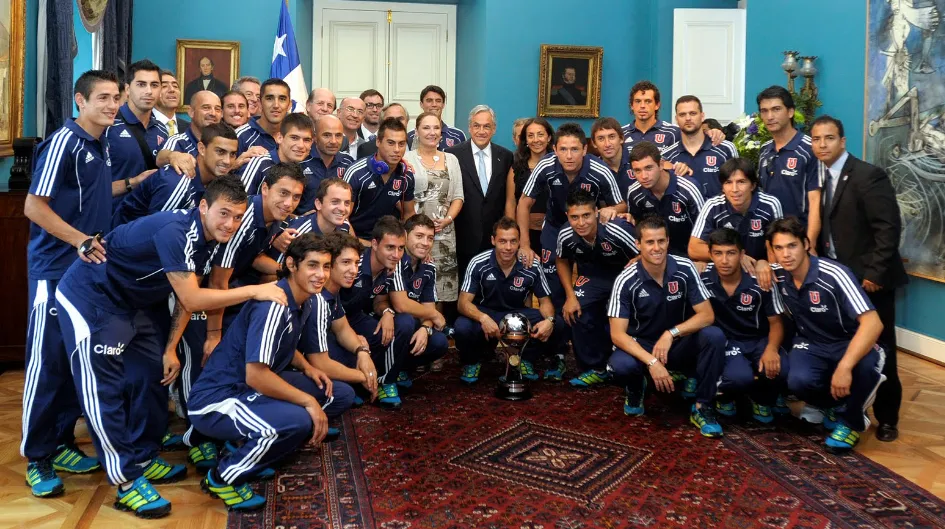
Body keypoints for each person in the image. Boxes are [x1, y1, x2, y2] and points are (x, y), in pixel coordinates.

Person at [54, 177, 287, 518]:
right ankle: (127, 480)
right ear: (203, 207)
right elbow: (193, 297)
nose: (231, 224)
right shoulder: (177, 230)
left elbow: (184, 298)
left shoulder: (210, 240)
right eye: (224, 214)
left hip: (131, 303)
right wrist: (254, 291)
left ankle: (145, 456)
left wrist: (169, 348)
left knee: (151, 374)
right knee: (102, 388)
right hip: (90, 297)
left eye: (237, 217)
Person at [188, 234, 354, 511]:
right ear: (291, 264)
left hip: (252, 386)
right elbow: (256, 375)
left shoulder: (306, 299)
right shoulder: (273, 306)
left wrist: (307, 367)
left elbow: (283, 342)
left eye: (326, 266)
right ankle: (223, 477)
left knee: (338, 394)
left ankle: (246, 440)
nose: (321, 274)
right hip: (219, 399)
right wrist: (307, 401)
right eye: (313, 266)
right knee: (299, 420)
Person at [21, 69, 119, 498]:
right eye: (102, 98)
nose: (112, 105)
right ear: (80, 101)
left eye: (115, 97)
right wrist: (80, 239)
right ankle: (37, 457)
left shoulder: (100, 143)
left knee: (74, 361)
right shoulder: (63, 141)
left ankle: (60, 443)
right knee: (47, 365)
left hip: (87, 273)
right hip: (54, 271)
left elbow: (92, 196)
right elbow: (32, 206)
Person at [811, 115, 907, 442]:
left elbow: (888, 228)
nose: (822, 145)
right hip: (841, 281)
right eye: (816, 139)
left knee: (882, 349)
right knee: (848, 345)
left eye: (829, 138)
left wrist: (876, 274)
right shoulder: (819, 178)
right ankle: (850, 408)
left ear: (843, 141)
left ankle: (888, 418)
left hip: (870, 281)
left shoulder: (869, 176)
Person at [767, 217, 887, 453]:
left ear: (806, 244)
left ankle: (851, 420)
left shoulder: (834, 274)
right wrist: (760, 263)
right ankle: (831, 405)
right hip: (812, 343)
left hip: (850, 342)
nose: (786, 254)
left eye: (792, 246)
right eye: (778, 248)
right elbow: (735, 264)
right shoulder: (777, 275)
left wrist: (844, 367)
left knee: (863, 368)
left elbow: (873, 323)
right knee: (797, 380)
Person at [607, 215, 726, 438]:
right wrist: (651, 362)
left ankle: (703, 406)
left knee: (714, 336)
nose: (656, 248)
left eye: (661, 241)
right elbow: (617, 334)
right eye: (650, 242)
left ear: (668, 241)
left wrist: (671, 334)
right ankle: (636, 386)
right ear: (638, 245)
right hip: (640, 345)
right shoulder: (625, 279)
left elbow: (707, 315)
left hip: (675, 343)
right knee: (620, 367)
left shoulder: (684, 267)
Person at [518, 122, 624, 306]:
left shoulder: (600, 171)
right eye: (563, 149)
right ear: (555, 149)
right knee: (554, 290)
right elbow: (523, 203)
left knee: (588, 289)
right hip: (554, 228)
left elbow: (622, 205)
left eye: (574, 149)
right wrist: (525, 244)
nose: (568, 156)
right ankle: (558, 328)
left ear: (584, 149)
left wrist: (611, 209)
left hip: (588, 231)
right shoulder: (546, 165)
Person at [455, 217, 563, 384]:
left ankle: (526, 359)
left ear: (520, 242)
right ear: (493, 241)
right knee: (462, 326)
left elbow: (545, 302)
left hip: (516, 315)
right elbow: (463, 303)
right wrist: (483, 318)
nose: (508, 247)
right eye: (502, 241)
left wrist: (549, 320)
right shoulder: (478, 263)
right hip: (486, 313)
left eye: (513, 241)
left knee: (557, 323)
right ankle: (472, 362)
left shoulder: (531, 265)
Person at [701, 228, 788, 423]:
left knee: (781, 368)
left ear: (742, 255)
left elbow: (776, 322)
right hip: (727, 342)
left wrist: (772, 349)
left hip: (758, 340)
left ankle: (761, 399)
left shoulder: (761, 280)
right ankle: (724, 397)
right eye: (718, 253)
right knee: (739, 378)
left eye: (731, 253)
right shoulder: (702, 277)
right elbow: (669, 264)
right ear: (710, 255)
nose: (724, 260)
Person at [556, 189, 639, 385]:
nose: (581, 222)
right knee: (575, 309)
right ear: (567, 216)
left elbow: (645, 253)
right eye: (574, 217)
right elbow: (561, 260)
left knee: (632, 310)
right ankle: (594, 367)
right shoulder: (565, 233)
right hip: (593, 276)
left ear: (596, 213)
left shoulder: (617, 228)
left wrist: (636, 263)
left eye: (586, 215)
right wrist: (570, 296)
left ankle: (633, 362)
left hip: (626, 275)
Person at [337, 217, 418, 409]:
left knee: (394, 329)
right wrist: (353, 337)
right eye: (390, 247)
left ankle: (384, 380)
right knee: (351, 348)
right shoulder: (354, 264)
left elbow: (380, 300)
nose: (396, 254)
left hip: (356, 317)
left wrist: (387, 312)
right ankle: (352, 383)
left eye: (400, 248)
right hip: (332, 324)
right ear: (374, 244)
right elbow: (329, 302)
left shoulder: (390, 268)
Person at [114, 122, 238, 227]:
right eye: (220, 152)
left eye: (232, 154)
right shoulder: (178, 182)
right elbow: (155, 234)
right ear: (201, 149)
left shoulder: (218, 182)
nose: (227, 161)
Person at [446, 105, 514, 278]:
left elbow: (508, 196)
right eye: (477, 126)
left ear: (494, 129)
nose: (481, 131)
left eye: (487, 126)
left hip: (494, 236)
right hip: (463, 236)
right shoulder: (453, 155)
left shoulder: (506, 156)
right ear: (469, 128)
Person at [403, 112, 464, 302]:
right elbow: (401, 197)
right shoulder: (406, 159)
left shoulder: (451, 159)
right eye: (426, 128)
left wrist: (447, 220)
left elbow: (458, 197)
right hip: (415, 234)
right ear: (416, 132)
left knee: (442, 287)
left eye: (436, 128)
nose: (432, 132)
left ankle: (438, 328)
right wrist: (420, 229)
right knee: (414, 284)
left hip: (444, 234)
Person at [688, 157, 782, 280]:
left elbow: (778, 246)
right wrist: (737, 256)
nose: (735, 189)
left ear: (753, 185)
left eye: (741, 182)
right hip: (724, 272)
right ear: (722, 187)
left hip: (758, 271)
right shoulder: (713, 205)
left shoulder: (770, 205)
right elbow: (693, 248)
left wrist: (767, 265)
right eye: (728, 182)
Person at [385, 214, 451, 386]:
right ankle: (387, 374)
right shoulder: (395, 260)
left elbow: (428, 306)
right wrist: (434, 315)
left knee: (439, 342)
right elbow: (401, 304)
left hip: (412, 323)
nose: (425, 243)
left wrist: (425, 327)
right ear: (406, 236)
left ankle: (401, 368)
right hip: (386, 321)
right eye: (419, 236)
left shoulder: (429, 267)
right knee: (405, 321)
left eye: (430, 238)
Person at [756, 85, 822, 246]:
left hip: (800, 239)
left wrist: (810, 243)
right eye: (764, 111)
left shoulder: (810, 149)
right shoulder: (765, 151)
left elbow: (816, 201)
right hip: (772, 240)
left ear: (790, 112)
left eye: (776, 109)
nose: (770, 116)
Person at [106, 59, 170, 208]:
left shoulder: (162, 129)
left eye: (154, 85)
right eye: (141, 84)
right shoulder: (109, 125)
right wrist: (131, 183)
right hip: (113, 219)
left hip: (147, 218)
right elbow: (89, 188)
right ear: (127, 89)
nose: (148, 91)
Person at [626, 141, 704, 257]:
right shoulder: (634, 193)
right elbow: (638, 230)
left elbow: (705, 231)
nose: (644, 176)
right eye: (637, 170)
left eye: (649, 168)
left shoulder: (688, 189)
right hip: (655, 255)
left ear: (661, 164)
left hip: (690, 255)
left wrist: (700, 259)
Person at [343, 117, 416, 239]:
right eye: (391, 143)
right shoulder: (356, 172)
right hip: (355, 239)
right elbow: (342, 217)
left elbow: (409, 214)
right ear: (378, 142)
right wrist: (358, 245)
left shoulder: (406, 175)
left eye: (401, 144)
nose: (397, 150)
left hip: (387, 241)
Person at [664, 95, 738, 199]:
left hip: (719, 214)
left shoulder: (726, 149)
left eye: (693, 113)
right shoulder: (667, 156)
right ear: (676, 119)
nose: (688, 118)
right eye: (682, 114)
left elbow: (738, 186)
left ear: (702, 116)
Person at [270, 178, 355, 264]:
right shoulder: (297, 233)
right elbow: (273, 275)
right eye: (335, 202)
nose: (342, 208)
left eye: (347, 203)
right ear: (318, 204)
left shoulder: (344, 226)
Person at [238, 113, 316, 198]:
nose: (301, 145)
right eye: (294, 138)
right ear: (280, 138)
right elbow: (237, 202)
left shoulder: (306, 167)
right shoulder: (260, 163)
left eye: (307, 140)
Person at [505, 117, 553, 255]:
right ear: (525, 140)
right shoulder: (516, 169)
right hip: (525, 235)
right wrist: (512, 234)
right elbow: (510, 203)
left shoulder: (558, 166)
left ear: (549, 137)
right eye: (530, 136)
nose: (536, 140)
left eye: (540, 134)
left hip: (553, 233)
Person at [303, 115, 353, 213]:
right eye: (327, 135)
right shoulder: (300, 161)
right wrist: (300, 218)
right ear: (315, 137)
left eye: (338, 135)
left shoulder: (348, 162)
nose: (333, 141)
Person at [158, 90, 222, 160]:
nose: (213, 113)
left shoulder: (226, 142)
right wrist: (174, 156)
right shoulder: (178, 143)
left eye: (217, 109)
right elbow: (160, 159)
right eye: (206, 108)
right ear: (191, 112)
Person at [236, 78, 291, 157]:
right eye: (269, 98)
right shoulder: (241, 136)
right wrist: (236, 164)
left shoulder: (297, 137)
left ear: (289, 105)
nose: (276, 105)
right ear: (260, 103)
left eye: (282, 99)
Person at [621, 80, 681, 152]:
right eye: (638, 101)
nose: (642, 106)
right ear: (631, 106)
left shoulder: (674, 133)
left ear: (657, 105)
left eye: (648, 101)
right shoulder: (621, 134)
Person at [407, 85, 467, 149]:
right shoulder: (410, 136)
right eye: (429, 100)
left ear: (443, 104)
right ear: (421, 104)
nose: (434, 104)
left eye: (438, 101)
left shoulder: (458, 135)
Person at [590, 117, 634, 197]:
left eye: (611, 137)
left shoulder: (637, 160)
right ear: (594, 144)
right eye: (601, 139)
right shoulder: (593, 170)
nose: (607, 144)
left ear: (621, 138)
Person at [152, 70, 188, 136]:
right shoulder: (143, 125)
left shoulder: (189, 128)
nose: (172, 90)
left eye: (175, 86)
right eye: (164, 86)